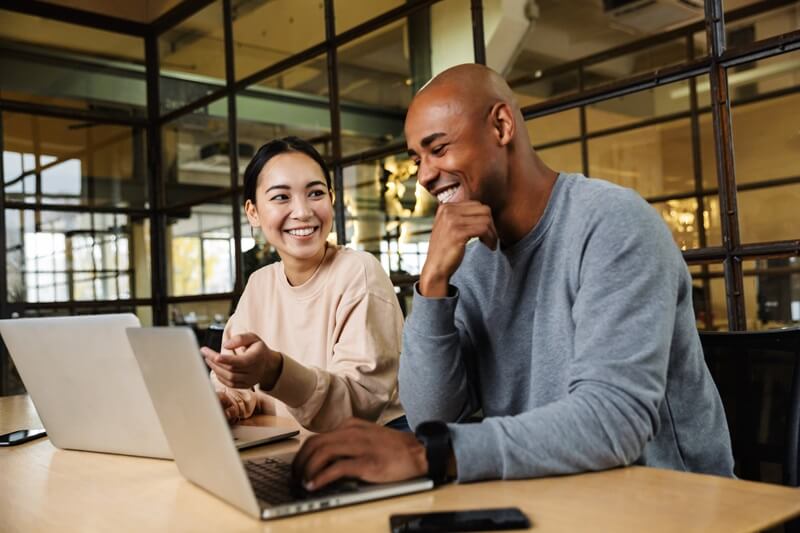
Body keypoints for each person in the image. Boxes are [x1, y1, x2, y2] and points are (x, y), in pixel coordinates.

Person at [291, 64, 734, 491]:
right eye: (417, 159)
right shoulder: (472, 263)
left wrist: (430, 453)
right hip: (547, 496)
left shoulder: (613, 223)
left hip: (667, 505)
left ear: (501, 126)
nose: (424, 176)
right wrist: (432, 283)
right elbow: (433, 416)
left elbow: (614, 421)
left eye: (438, 149)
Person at [201, 136, 406, 433]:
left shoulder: (359, 272)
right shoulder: (260, 284)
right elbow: (235, 382)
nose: (303, 211)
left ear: (332, 199)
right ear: (253, 212)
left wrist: (275, 370)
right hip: (289, 441)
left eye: (315, 193)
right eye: (281, 197)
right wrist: (227, 401)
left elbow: (356, 405)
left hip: (368, 444)